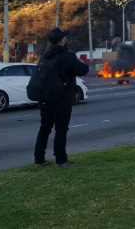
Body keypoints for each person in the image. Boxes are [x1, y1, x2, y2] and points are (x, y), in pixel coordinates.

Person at [34, 27, 90, 168]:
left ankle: (39, 159)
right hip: (61, 98)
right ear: (62, 40)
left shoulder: (45, 56)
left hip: (45, 98)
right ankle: (61, 160)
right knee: (61, 130)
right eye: (64, 38)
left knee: (44, 129)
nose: (66, 39)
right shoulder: (66, 56)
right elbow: (83, 70)